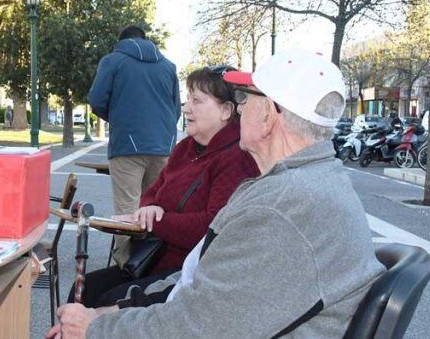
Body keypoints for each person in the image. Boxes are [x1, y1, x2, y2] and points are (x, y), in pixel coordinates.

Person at [49, 51, 385, 338]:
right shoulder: (308, 184)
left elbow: (198, 325)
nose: (239, 110)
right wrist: (117, 310)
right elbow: (199, 283)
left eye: (244, 99)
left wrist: (97, 328)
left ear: (268, 114)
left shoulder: (282, 208)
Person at [68, 66, 259, 309]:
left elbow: (212, 226)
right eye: (188, 98)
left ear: (226, 110)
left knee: (107, 303)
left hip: (191, 273)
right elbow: (152, 193)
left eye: (197, 101)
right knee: (85, 288)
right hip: (153, 260)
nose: (186, 108)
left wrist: (157, 221)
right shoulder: (185, 148)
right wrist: (148, 208)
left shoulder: (235, 158)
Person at [88, 25, 180, 264]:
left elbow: (96, 100)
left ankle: (124, 264)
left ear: (121, 42)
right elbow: (175, 108)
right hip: (163, 145)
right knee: (157, 206)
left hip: (127, 145)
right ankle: (152, 261)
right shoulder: (168, 66)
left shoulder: (113, 61)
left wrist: (118, 117)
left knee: (127, 210)